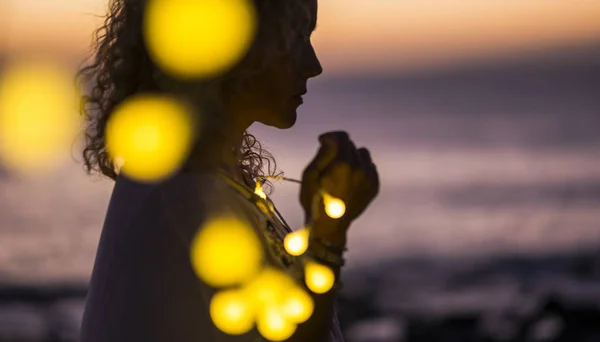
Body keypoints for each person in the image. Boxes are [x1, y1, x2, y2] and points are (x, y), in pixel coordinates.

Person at [77, 0, 379, 341]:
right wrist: (328, 235)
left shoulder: (209, 176)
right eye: (296, 37)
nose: (313, 65)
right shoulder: (183, 192)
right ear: (237, 43)